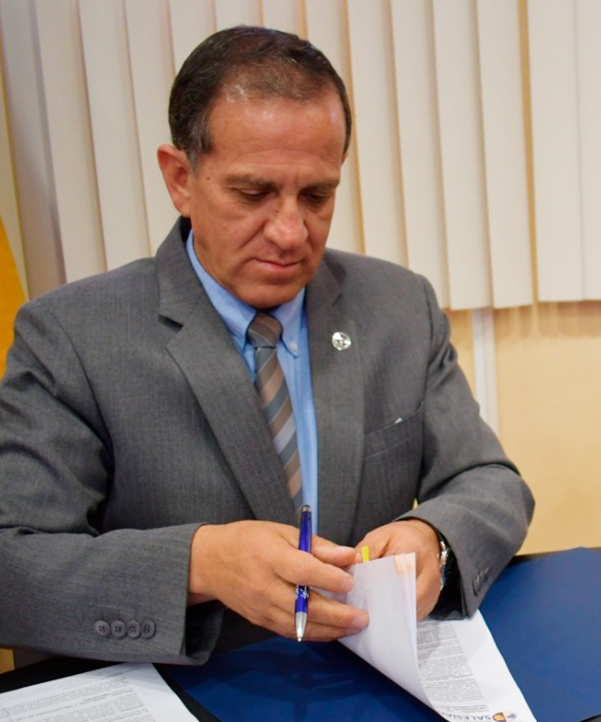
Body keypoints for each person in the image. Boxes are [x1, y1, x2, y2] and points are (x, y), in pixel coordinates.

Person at [0, 26, 533, 664]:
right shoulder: (72, 335)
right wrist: (201, 563)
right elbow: (14, 563)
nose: (289, 231)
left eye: (317, 195)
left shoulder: (397, 306)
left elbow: (490, 481)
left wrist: (434, 537)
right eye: (253, 194)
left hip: (364, 682)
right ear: (179, 178)